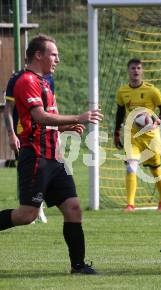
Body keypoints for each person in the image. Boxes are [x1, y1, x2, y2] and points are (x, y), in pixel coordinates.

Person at [0, 34, 102, 274]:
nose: (57, 58)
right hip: (36, 156)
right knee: (27, 214)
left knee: (74, 208)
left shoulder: (45, 82)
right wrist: (78, 117)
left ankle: (78, 266)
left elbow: (45, 121)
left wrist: (66, 127)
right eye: (53, 54)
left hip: (55, 158)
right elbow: (39, 117)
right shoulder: (26, 80)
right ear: (39, 55)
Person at [113, 58, 161, 212]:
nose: (135, 71)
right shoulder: (122, 91)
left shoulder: (152, 90)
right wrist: (116, 133)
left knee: (155, 169)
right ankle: (130, 205)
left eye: (138, 68)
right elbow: (120, 113)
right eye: (132, 68)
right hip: (132, 136)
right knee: (131, 166)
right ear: (128, 70)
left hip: (151, 136)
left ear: (142, 71)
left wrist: (158, 121)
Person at [4, 72, 56, 224]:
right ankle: (29, 208)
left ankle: (37, 207)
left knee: (43, 171)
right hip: (24, 132)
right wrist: (11, 134)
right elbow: (8, 108)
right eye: (53, 55)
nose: (56, 60)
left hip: (45, 135)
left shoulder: (49, 79)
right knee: (26, 171)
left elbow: (51, 108)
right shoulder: (17, 79)